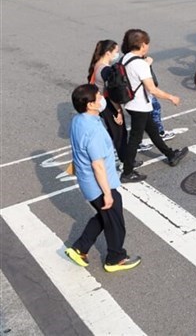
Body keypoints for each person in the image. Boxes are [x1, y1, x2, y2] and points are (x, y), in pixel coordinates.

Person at [65, 84, 142, 272]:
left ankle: (79, 248)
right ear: (90, 104)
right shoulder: (94, 131)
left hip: (87, 182)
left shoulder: (79, 120)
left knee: (105, 215)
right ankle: (115, 258)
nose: (102, 99)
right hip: (99, 184)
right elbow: (97, 165)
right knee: (115, 221)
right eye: (98, 97)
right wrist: (107, 193)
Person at [118, 29, 187, 183]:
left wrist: (145, 63)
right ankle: (127, 172)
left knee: (153, 131)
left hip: (131, 103)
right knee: (135, 139)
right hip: (140, 105)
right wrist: (171, 97)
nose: (148, 47)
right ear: (142, 45)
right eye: (147, 44)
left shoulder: (126, 58)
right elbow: (152, 89)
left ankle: (170, 155)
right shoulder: (140, 64)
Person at [88, 40, 127, 161]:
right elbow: (111, 94)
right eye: (116, 51)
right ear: (108, 53)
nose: (117, 54)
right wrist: (119, 111)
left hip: (101, 103)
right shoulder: (105, 70)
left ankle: (120, 156)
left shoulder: (96, 65)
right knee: (119, 133)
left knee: (113, 131)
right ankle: (125, 161)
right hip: (107, 104)